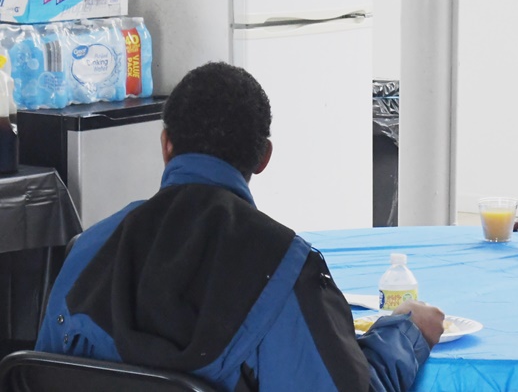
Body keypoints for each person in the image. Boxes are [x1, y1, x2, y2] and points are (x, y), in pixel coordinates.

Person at [35, 62, 444, 391]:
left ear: (166, 145)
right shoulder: (283, 269)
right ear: (264, 157)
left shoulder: (87, 250)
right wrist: (406, 333)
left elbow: (44, 375)